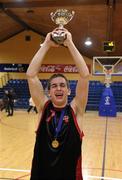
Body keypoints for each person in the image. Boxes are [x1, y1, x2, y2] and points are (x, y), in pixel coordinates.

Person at [26, 28, 89, 180]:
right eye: (54, 86)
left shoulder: (76, 109)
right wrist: (46, 44)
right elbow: (31, 75)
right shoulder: (43, 107)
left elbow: (85, 75)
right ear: (49, 91)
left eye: (62, 85)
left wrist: (70, 43)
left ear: (68, 90)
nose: (58, 88)